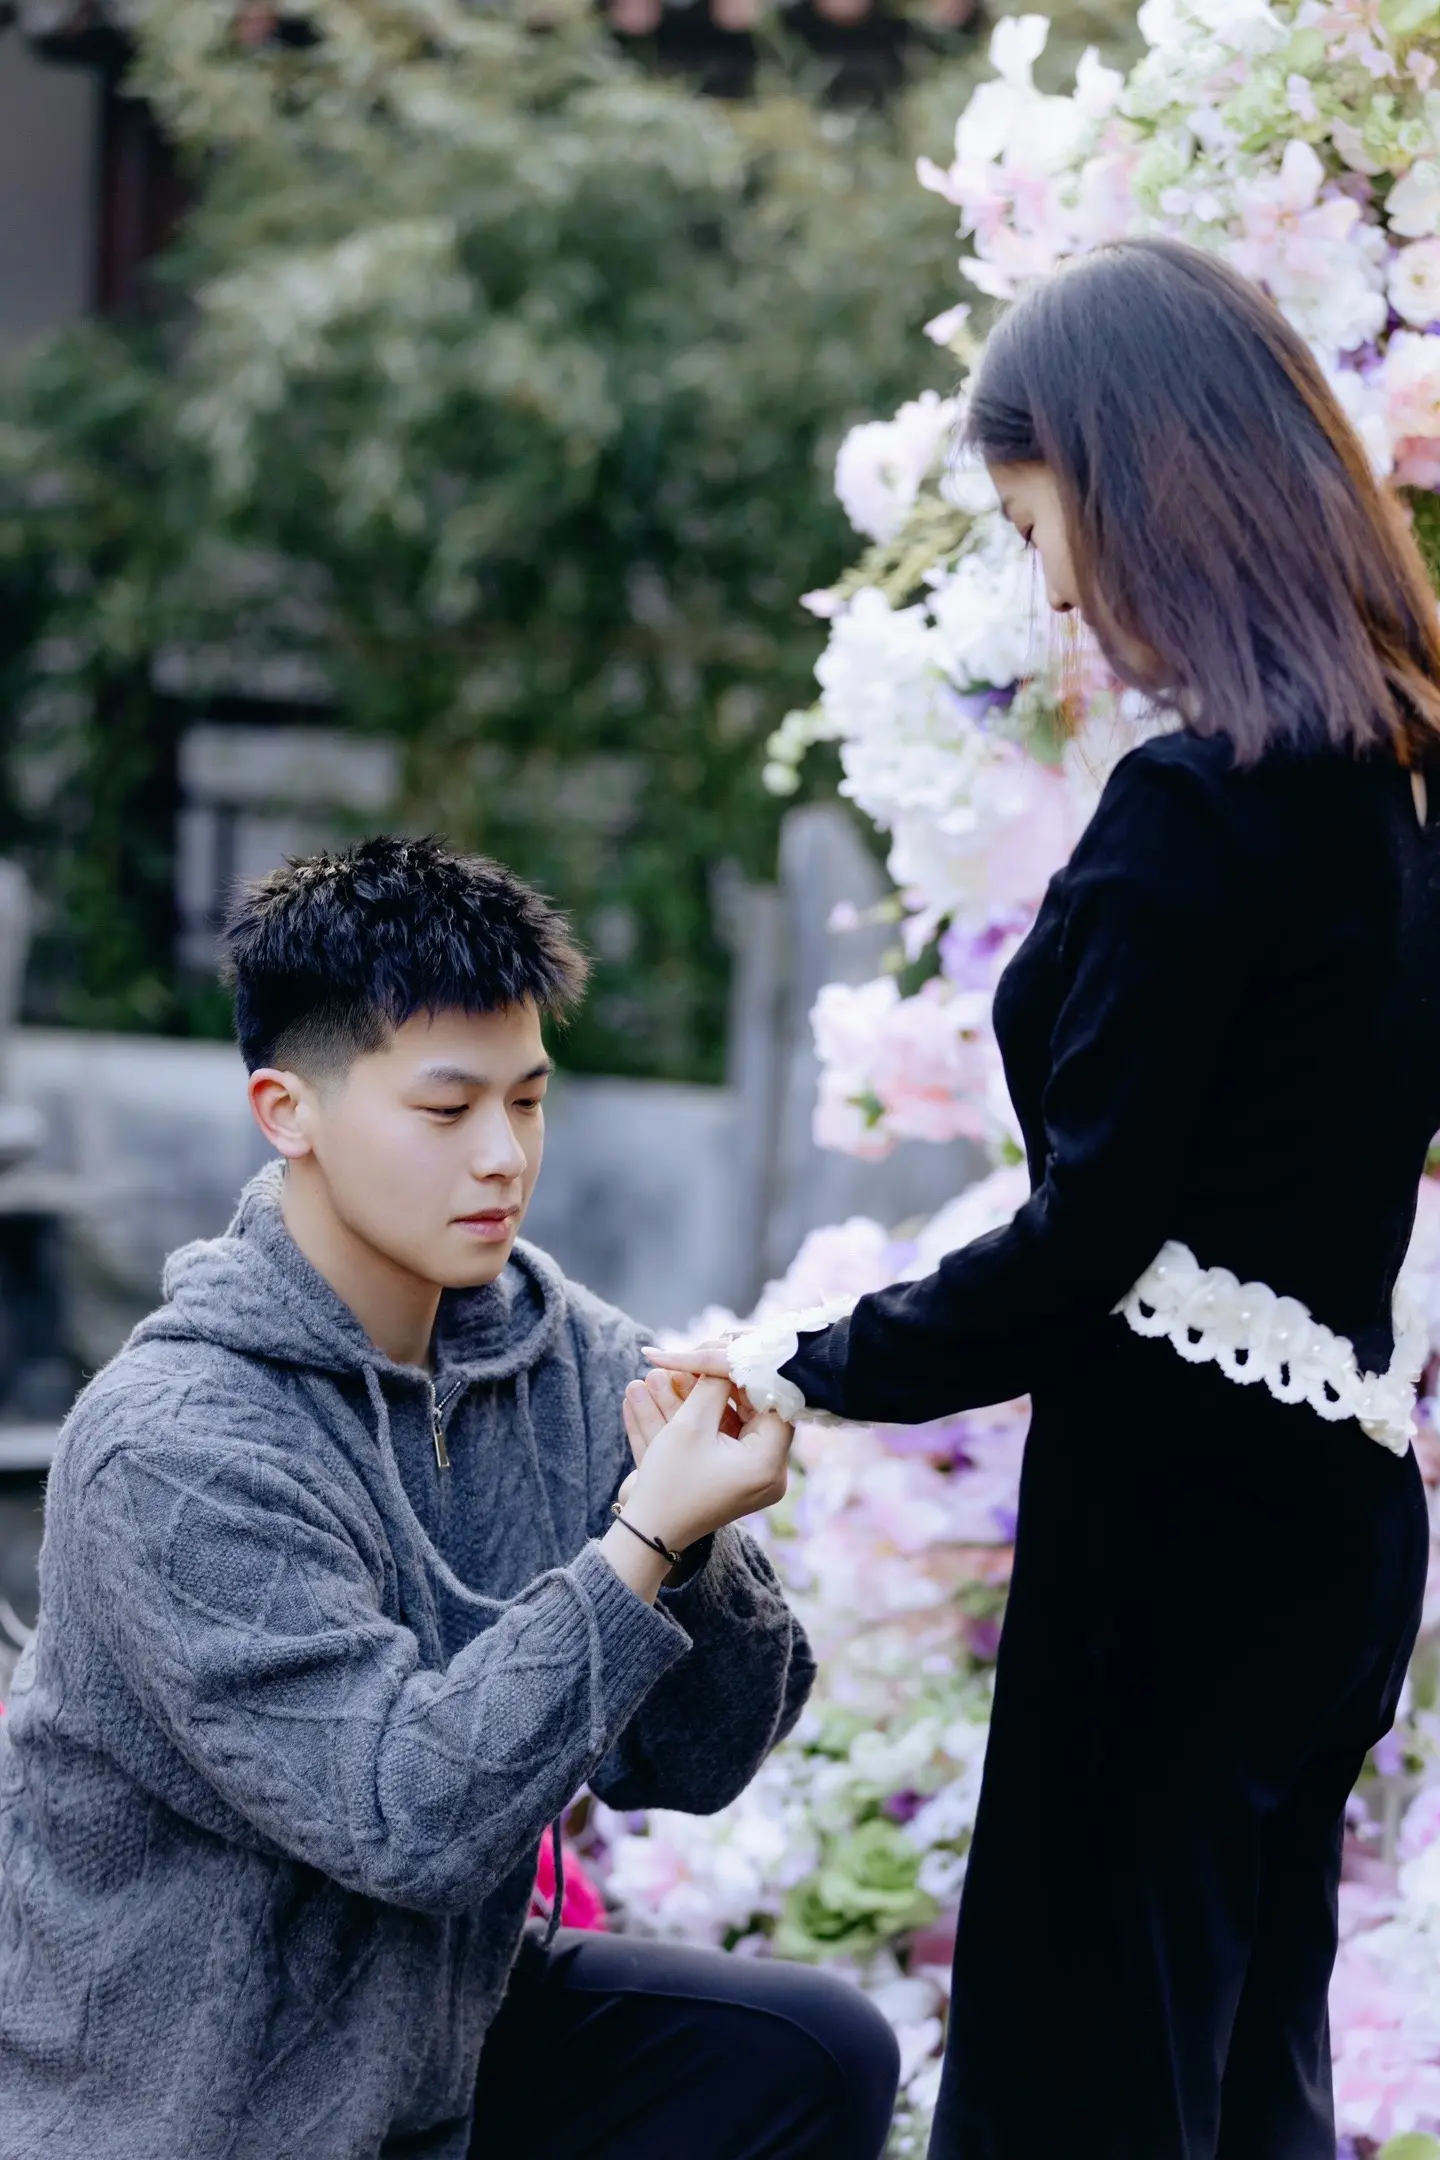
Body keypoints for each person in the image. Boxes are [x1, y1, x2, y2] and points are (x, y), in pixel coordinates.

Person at [650, 238, 1439, 2160]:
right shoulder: (1397, 788)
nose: (1058, 586)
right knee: (1242, 2078)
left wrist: (798, 1363)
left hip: (1180, 1520)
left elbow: (1089, 1236)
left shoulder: (1205, 804)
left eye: (1036, 521)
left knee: (1082, 2080)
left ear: (1142, 476)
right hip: (1337, 1511)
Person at [0, 836, 900, 2160]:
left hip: (440, 2044)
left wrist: (700, 1546)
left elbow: (702, 1763)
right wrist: (642, 1539)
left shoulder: (568, 1352)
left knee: (807, 2054)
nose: (502, 1158)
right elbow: (404, 1820)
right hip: (190, 2106)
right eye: (446, 1110)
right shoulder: (169, 1448)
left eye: (527, 1102)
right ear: (286, 1111)